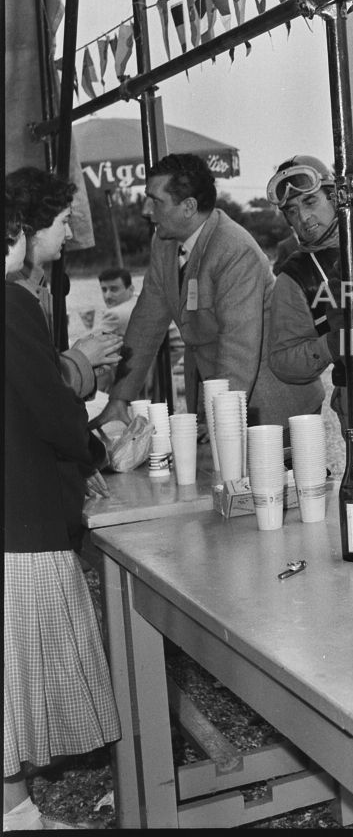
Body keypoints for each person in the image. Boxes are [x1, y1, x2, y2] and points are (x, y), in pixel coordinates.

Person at [4, 195, 121, 831]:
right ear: (19, 233)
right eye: (56, 222)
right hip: (20, 520)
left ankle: (16, 811)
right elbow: (50, 409)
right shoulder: (13, 302)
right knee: (19, 679)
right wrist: (90, 438)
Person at [93, 153, 322, 433]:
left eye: (155, 200)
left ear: (188, 207)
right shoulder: (164, 243)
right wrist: (119, 398)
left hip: (274, 407)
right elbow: (145, 323)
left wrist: (218, 421)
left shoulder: (234, 250)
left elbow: (238, 348)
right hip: (223, 400)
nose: (145, 209)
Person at [265, 155, 353, 441]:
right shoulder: (296, 276)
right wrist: (335, 343)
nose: (304, 218)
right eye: (292, 212)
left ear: (336, 197)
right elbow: (283, 360)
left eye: (310, 202)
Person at [5, 167, 123, 399]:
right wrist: (83, 358)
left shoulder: (34, 282)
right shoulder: (17, 294)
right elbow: (37, 388)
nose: (69, 234)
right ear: (34, 227)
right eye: (64, 221)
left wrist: (86, 365)